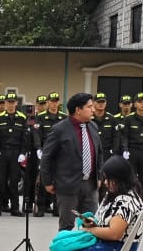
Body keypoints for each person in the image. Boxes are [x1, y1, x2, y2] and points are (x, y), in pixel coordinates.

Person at [39, 92, 101, 234]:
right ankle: (63, 248)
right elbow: (47, 157)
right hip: (68, 185)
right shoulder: (60, 129)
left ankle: (85, 249)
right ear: (78, 109)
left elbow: (99, 153)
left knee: (91, 226)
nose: (93, 109)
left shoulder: (93, 127)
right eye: (89, 107)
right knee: (66, 226)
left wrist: (99, 176)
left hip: (90, 185)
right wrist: (47, 182)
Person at [116, 92, 143, 215]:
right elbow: (124, 137)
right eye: (139, 102)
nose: (142, 104)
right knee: (131, 180)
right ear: (135, 104)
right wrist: (125, 150)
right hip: (132, 151)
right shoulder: (128, 119)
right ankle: (130, 206)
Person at [0, 91, 28, 217]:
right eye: (8, 102)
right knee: (0, 181)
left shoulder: (22, 117)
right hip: (3, 152)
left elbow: (25, 137)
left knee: (14, 182)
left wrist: (23, 152)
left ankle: (15, 208)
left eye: (13, 102)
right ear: (5, 103)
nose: (10, 105)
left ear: (16, 103)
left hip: (15, 153)